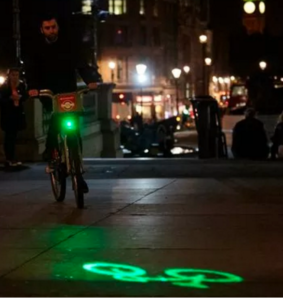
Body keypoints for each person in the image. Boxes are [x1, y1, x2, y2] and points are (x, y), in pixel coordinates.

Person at [25, 14, 101, 193]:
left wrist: (90, 80)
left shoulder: (68, 46)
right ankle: (51, 154)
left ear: (58, 27)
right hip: (48, 93)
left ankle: (78, 171)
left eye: (53, 27)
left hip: (68, 92)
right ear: (42, 30)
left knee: (74, 129)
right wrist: (33, 87)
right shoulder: (37, 49)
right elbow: (32, 70)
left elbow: (82, 65)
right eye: (47, 28)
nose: (51, 30)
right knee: (55, 120)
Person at [0, 68, 28, 167]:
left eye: (16, 75)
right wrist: (10, 99)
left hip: (17, 113)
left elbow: (25, 96)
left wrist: (20, 97)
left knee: (13, 136)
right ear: (9, 76)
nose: (15, 77)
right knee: (9, 137)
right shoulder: (4, 87)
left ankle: (11, 157)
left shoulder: (20, 86)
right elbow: (1, 99)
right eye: (13, 75)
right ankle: (9, 158)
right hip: (8, 114)